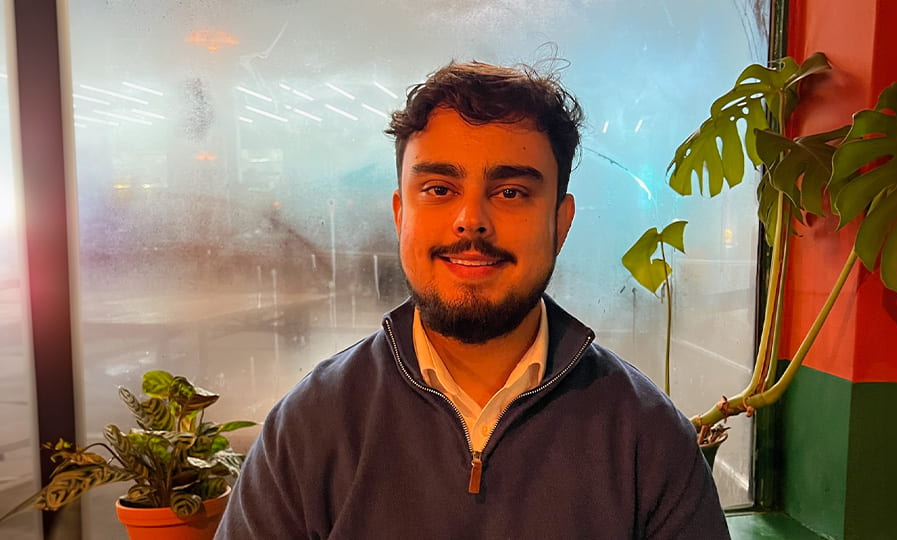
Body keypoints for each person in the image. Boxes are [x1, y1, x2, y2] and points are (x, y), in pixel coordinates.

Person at [215, 61, 729, 539]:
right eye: (439, 189)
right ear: (400, 215)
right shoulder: (310, 426)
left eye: (510, 192)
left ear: (561, 222)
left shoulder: (648, 437)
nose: (470, 221)